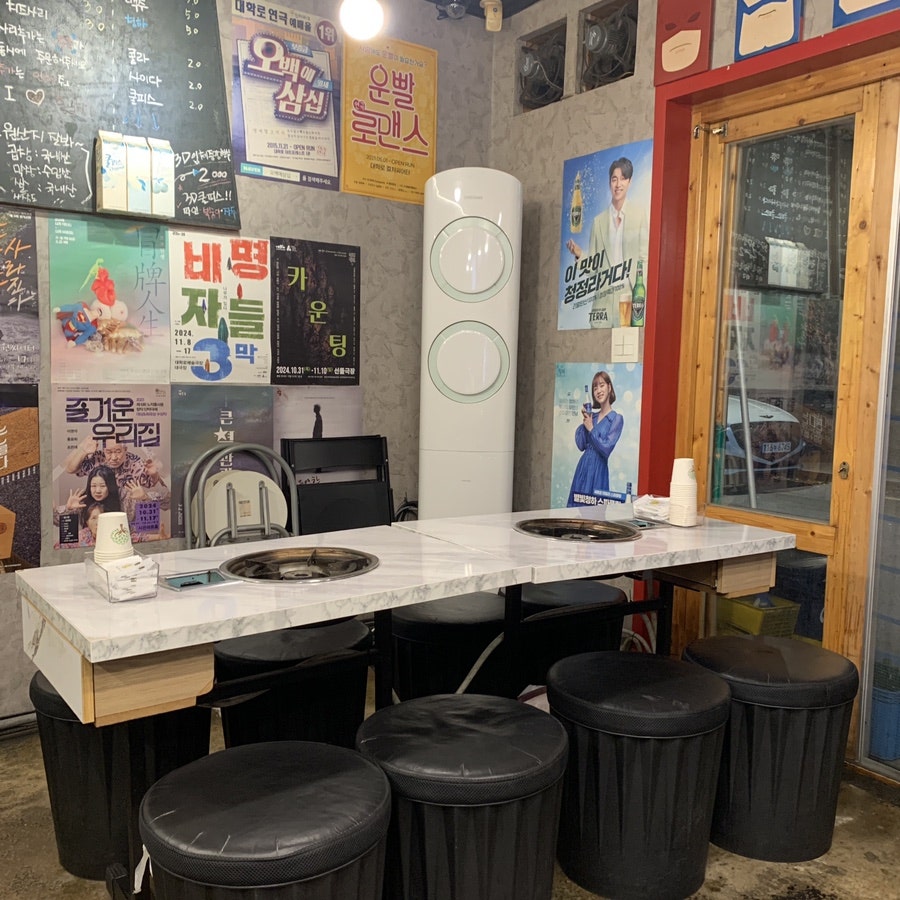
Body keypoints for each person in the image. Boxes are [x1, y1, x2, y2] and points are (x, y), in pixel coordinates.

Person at [566, 157, 649, 327]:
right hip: (602, 305)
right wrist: (580, 254)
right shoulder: (598, 222)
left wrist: (641, 293)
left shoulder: (639, 215)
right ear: (609, 183)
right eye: (614, 179)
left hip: (630, 301)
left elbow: (645, 259)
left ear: (629, 181)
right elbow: (595, 269)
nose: (618, 184)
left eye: (623, 178)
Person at [63, 436, 170, 525]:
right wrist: (83, 450)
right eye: (109, 452)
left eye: (118, 452)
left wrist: (154, 477)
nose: (114, 457)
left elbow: (163, 496)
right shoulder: (97, 459)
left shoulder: (135, 463)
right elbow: (69, 469)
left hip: (124, 513)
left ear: (125, 450)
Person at [567, 371, 624, 507]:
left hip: (599, 471)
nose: (598, 390)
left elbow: (606, 449)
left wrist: (592, 429)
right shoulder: (591, 417)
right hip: (583, 468)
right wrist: (585, 420)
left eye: (601, 385)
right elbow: (581, 445)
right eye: (595, 388)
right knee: (575, 512)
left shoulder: (616, 419)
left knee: (595, 516)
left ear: (609, 388)